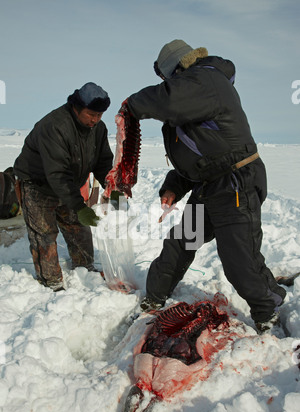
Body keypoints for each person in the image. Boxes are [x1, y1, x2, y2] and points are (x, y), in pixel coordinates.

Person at [124, 39, 286, 334]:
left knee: (239, 258)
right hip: (210, 183)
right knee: (181, 242)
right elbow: (200, 155)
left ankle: (269, 309)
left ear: (174, 69)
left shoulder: (207, 78)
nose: (164, 83)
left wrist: (131, 105)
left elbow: (169, 101)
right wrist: (173, 185)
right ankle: (154, 299)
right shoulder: (194, 90)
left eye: (164, 77)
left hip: (235, 181)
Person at [14, 82, 114, 291]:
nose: (95, 120)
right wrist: (79, 206)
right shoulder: (55, 126)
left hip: (68, 184)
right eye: (90, 114)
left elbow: (103, 161)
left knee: (79, 229)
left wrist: (112, 187)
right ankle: (51, 283)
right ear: (76, 107)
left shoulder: (98, 129)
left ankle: (85, 269)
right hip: (38, 184)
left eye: (100, 115)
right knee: (45, 234)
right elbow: (57, 173)